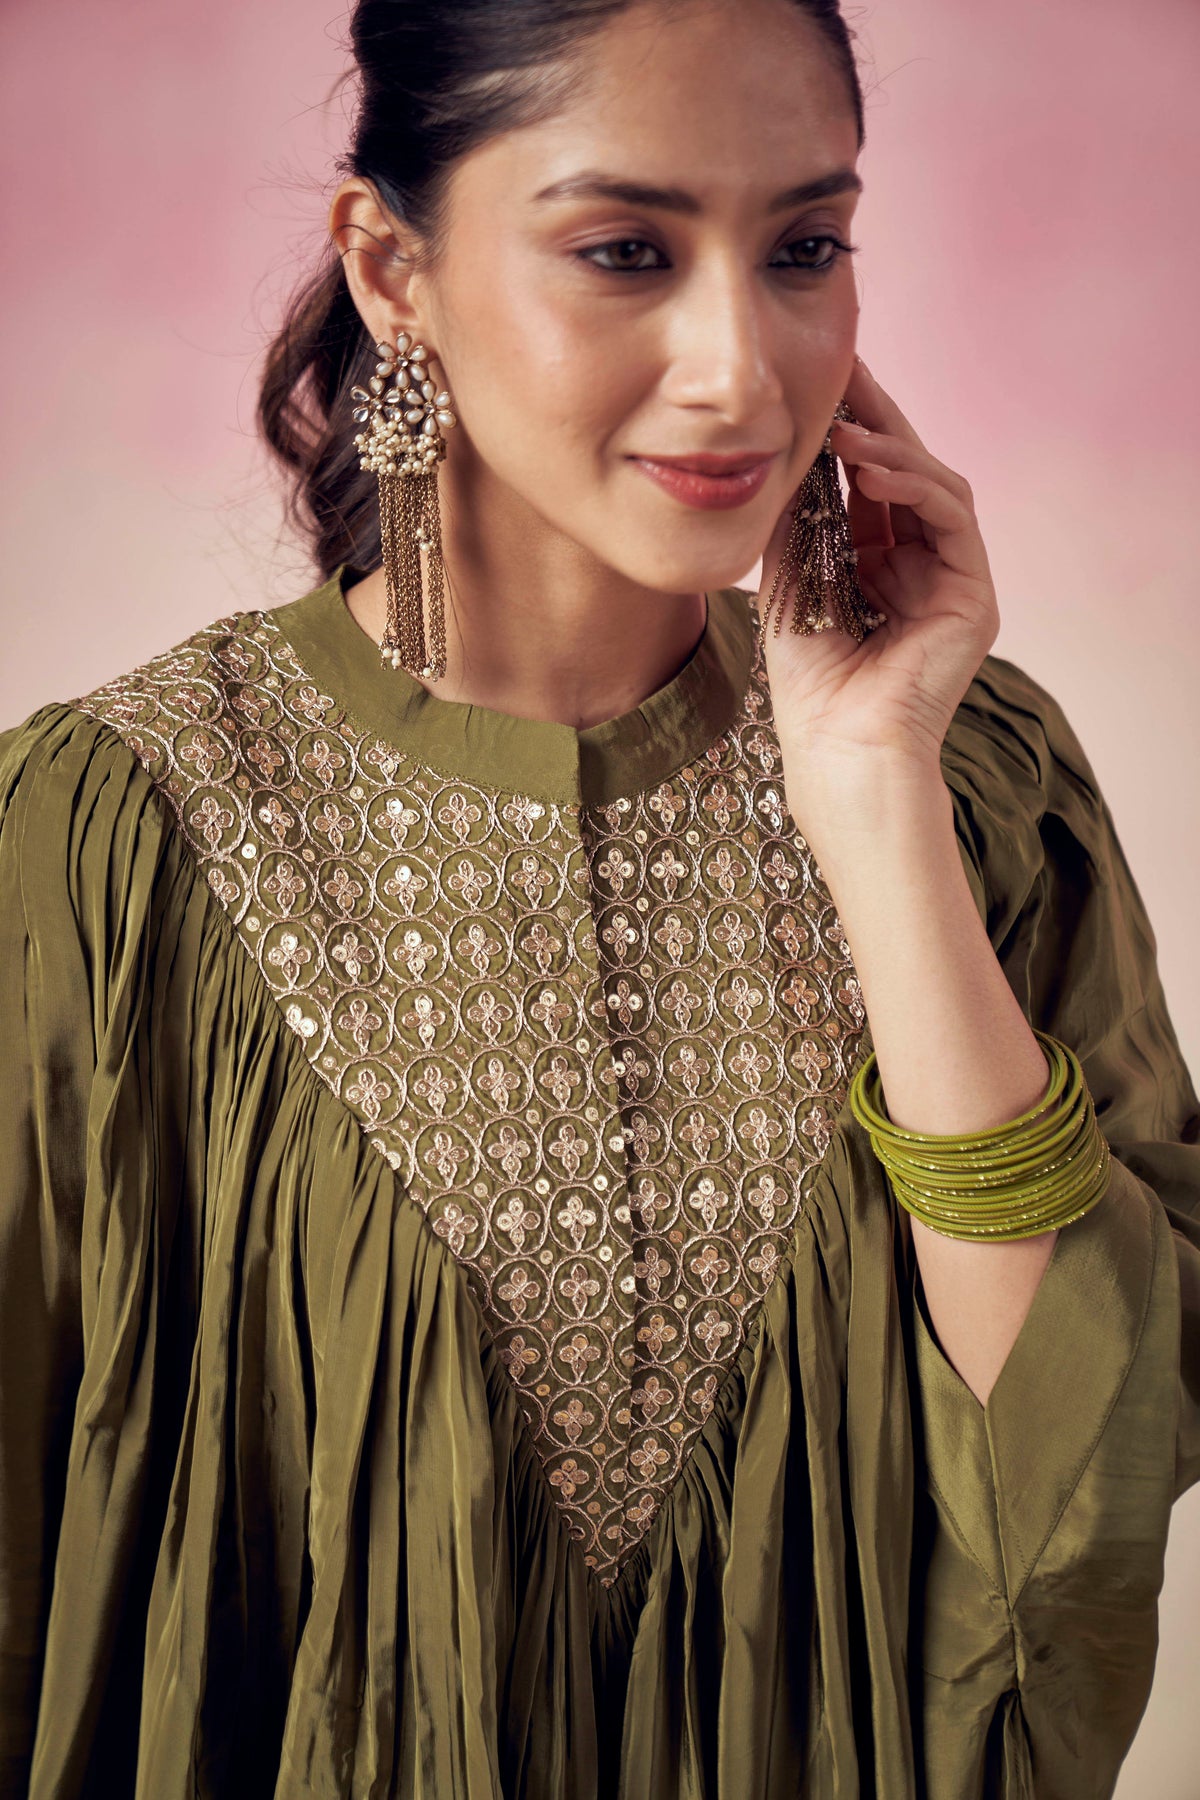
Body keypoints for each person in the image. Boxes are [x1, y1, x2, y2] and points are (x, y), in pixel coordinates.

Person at [1, 0, 1196, 1794]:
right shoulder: (101, 847)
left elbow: (1079, 1491)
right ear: (390, 270)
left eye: (804, 248)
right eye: (627, 251)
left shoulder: (979, 783)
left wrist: (874, 795)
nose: (740, 368)